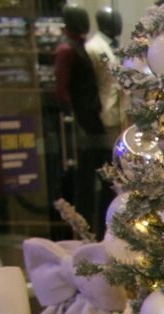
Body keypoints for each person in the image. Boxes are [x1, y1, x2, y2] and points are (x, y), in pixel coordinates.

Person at [51, 7, 107, 233]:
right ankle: (85, 227)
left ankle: (95, 225)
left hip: (89, 118)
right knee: (87, 177)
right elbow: (62, 89)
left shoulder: (76, 46)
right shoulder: (66, 49)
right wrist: (73, 118)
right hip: (83, 122)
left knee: (98, 174)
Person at [85, 8, 125, 145]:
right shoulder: (92, 48)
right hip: (106, 107)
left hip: (123, 110)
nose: (119, 24)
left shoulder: (119, 46)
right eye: (115, 20)